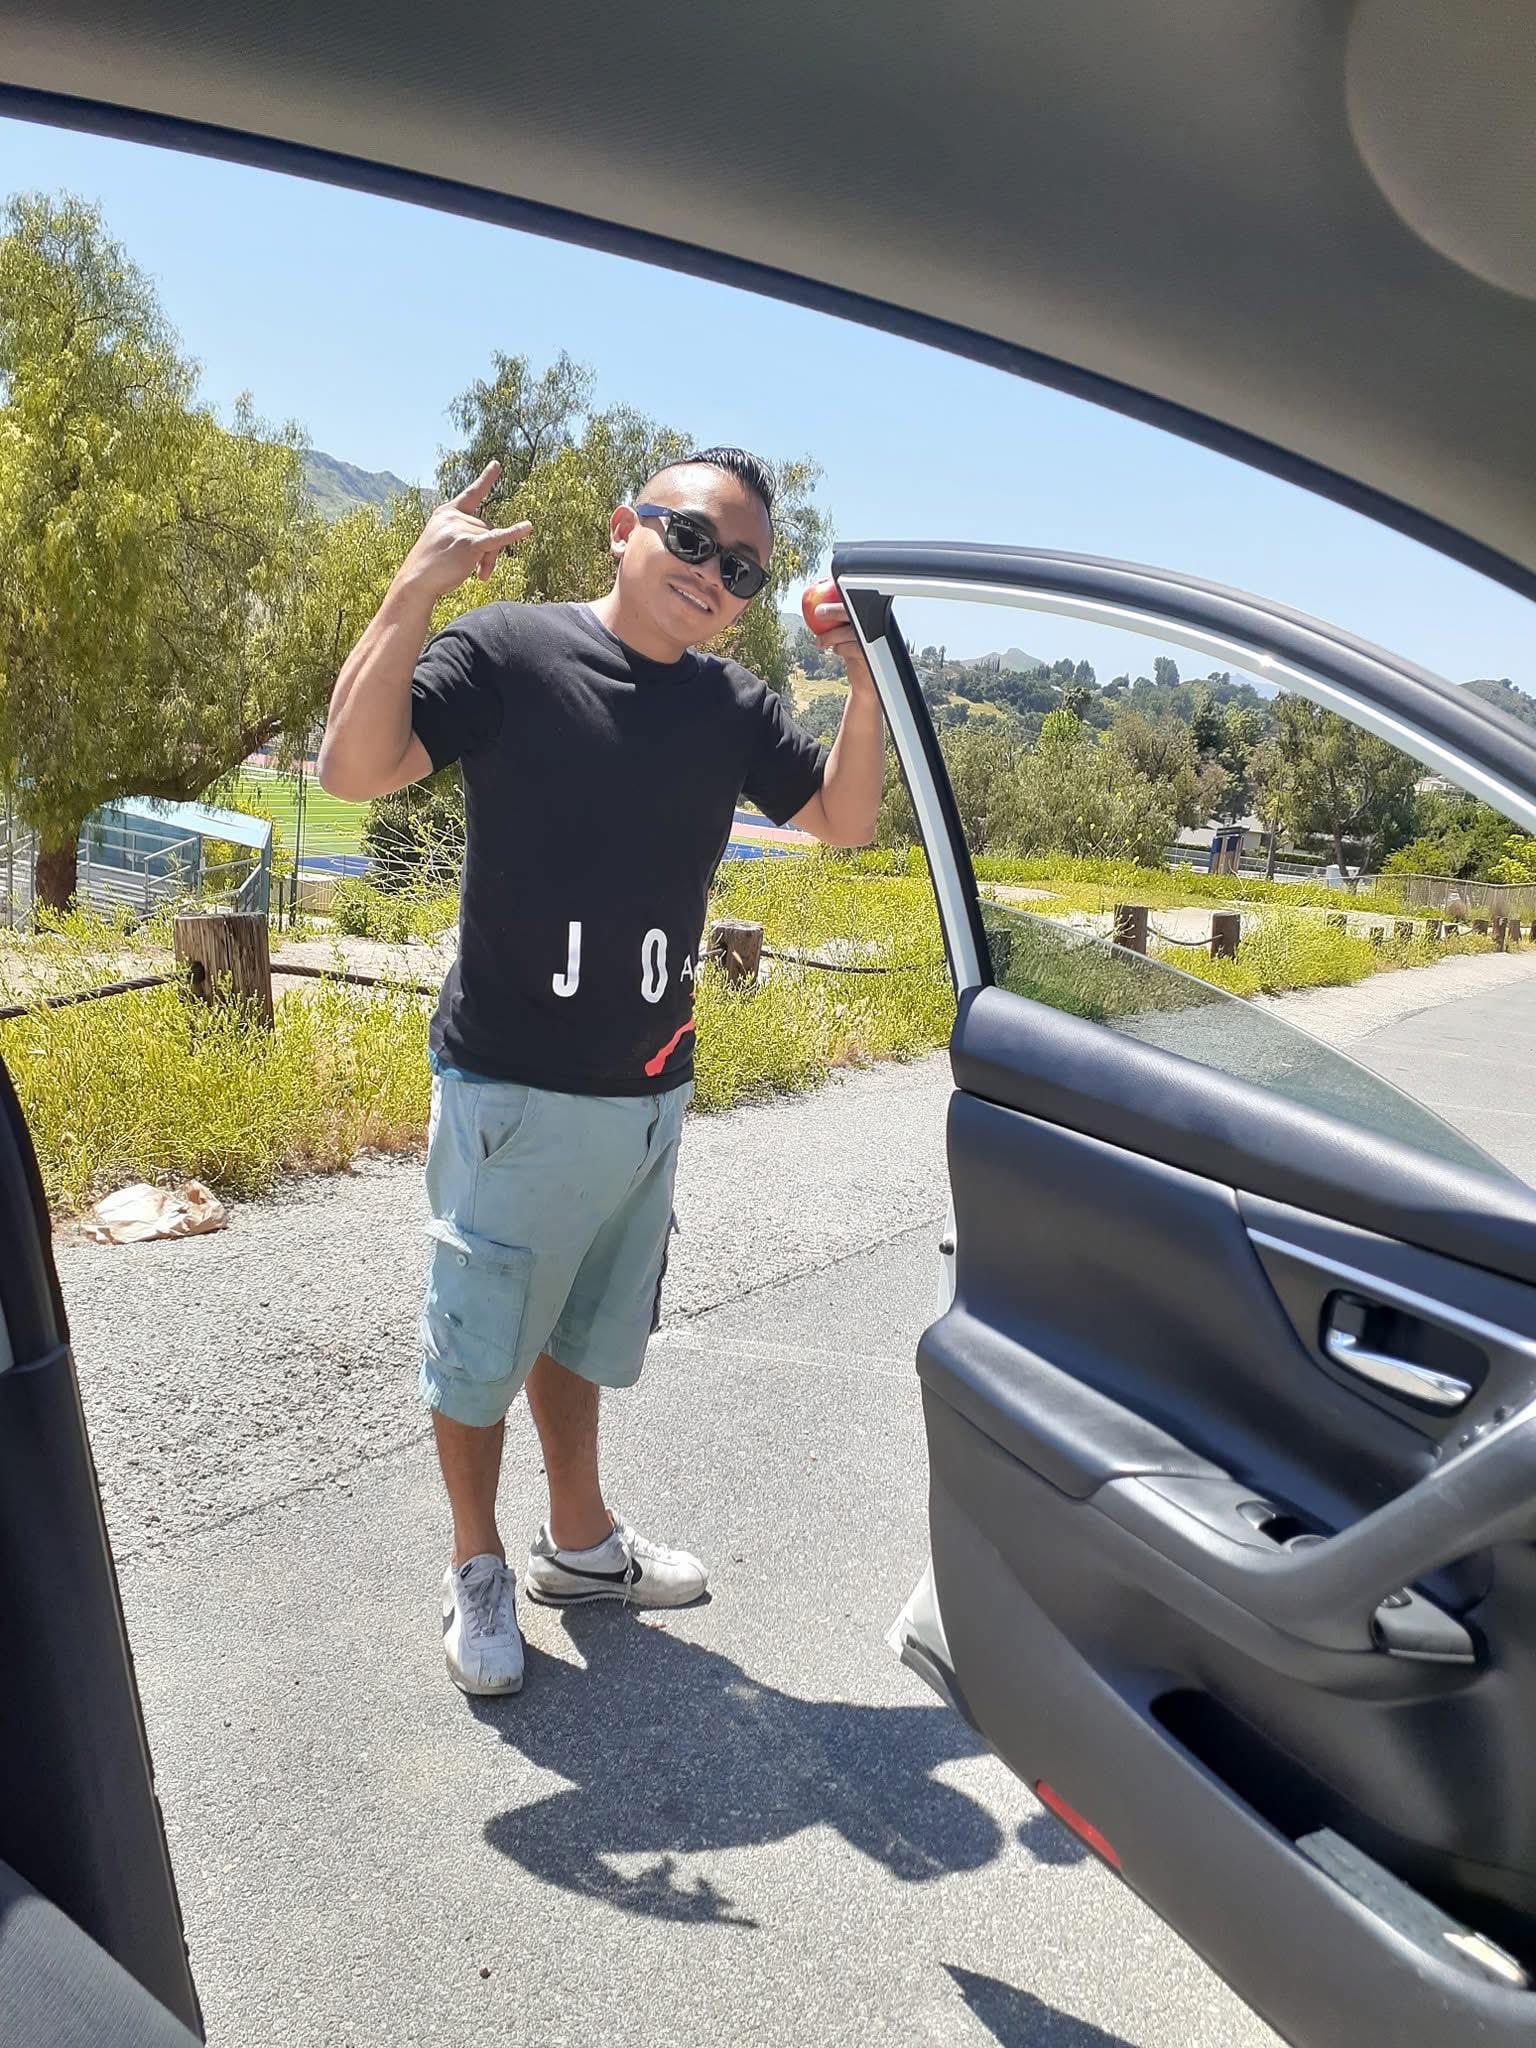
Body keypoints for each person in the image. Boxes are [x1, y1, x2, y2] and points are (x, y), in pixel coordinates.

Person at [318, 447, 883, 1695]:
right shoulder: (513, 649)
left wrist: (863, 676)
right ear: (626, 526)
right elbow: (352, 768)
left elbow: (843, 820)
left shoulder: (729, 705)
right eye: (691, 538)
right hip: (512, 1087)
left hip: (647, 1093)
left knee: (576, 1327)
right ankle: (476, 1564)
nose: (712, 574)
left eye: (742, 567)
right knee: (479, 1343)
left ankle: (577, 1545)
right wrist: (415, 584)